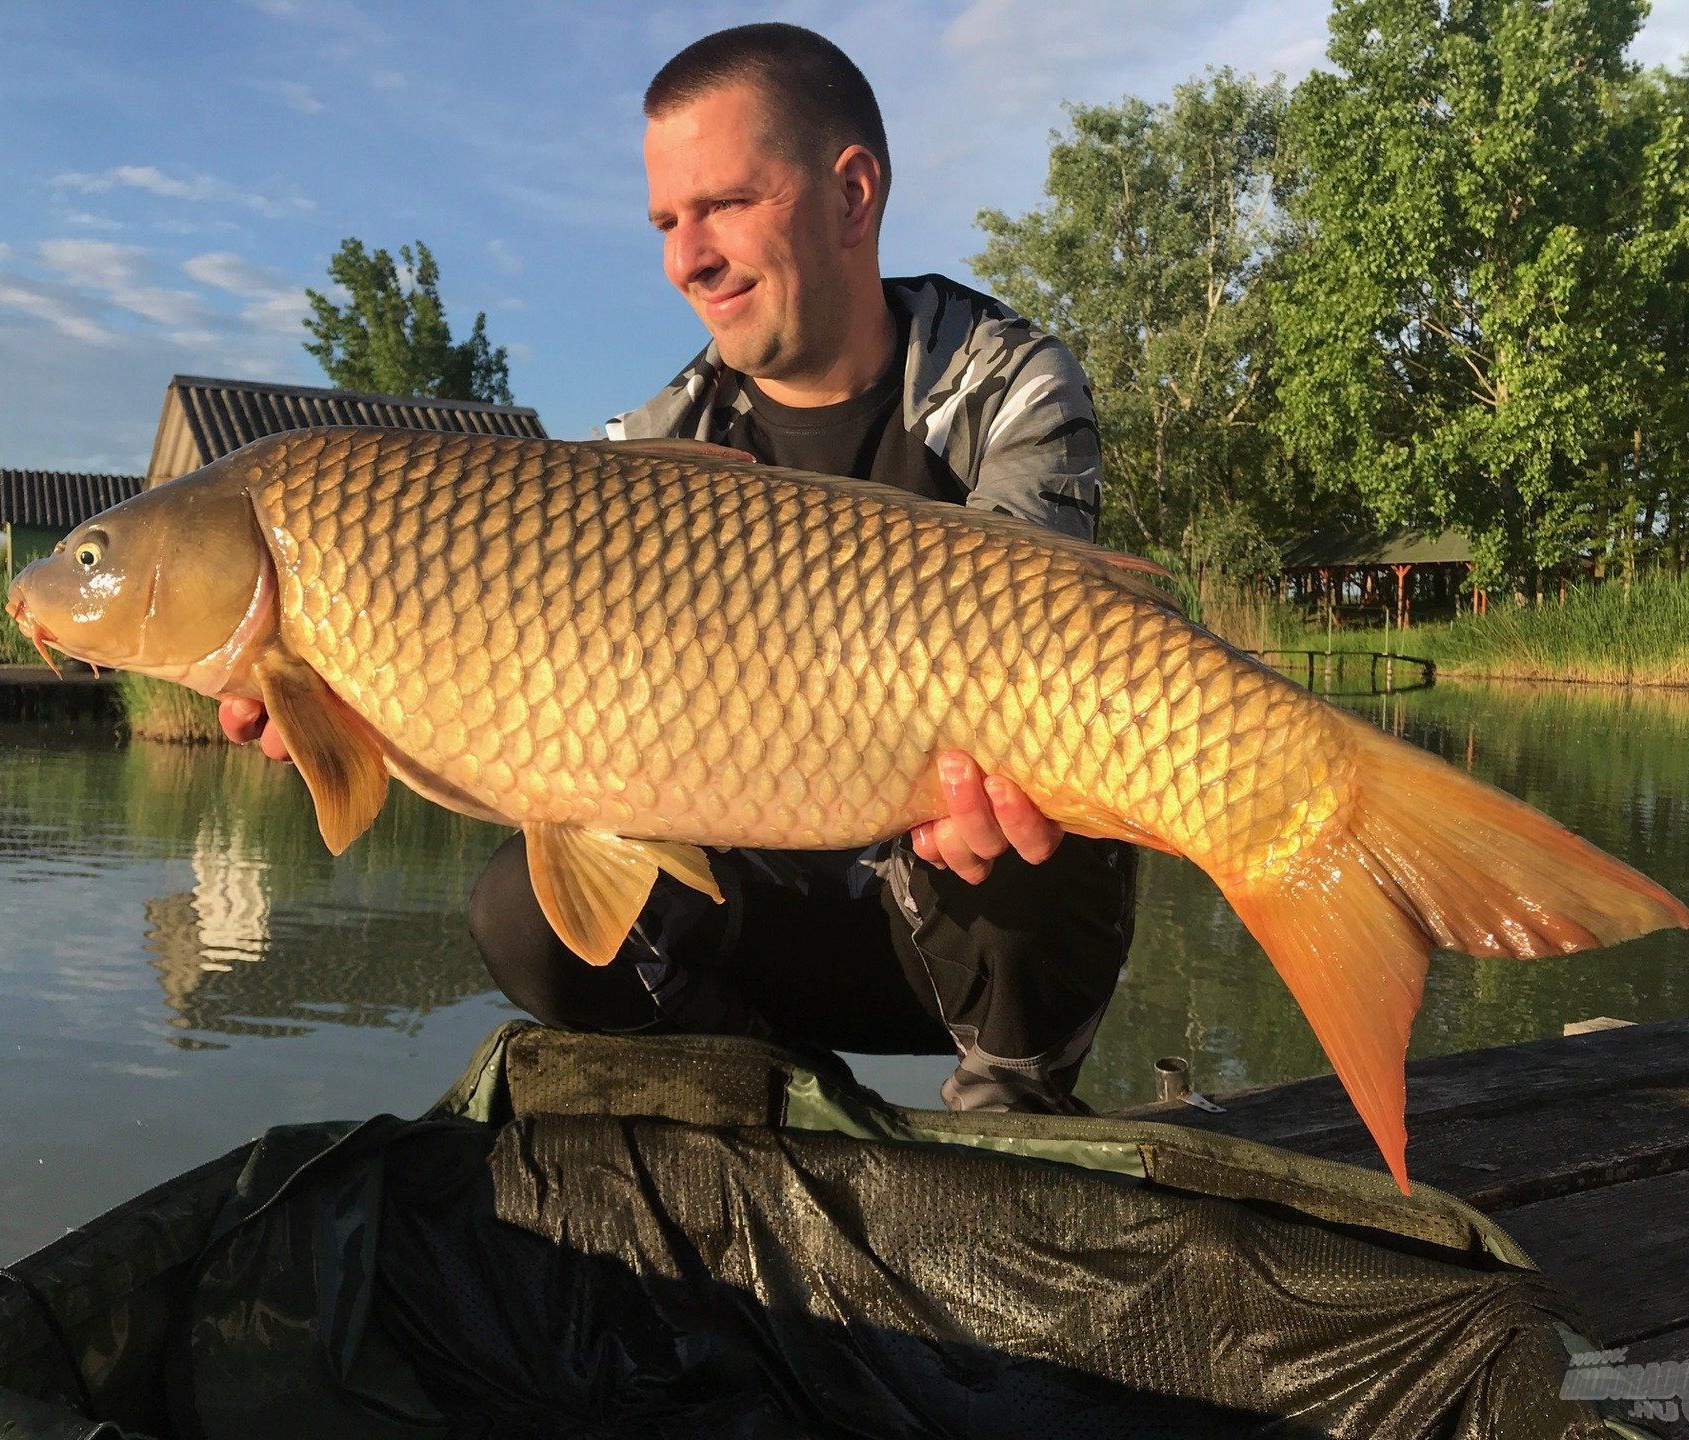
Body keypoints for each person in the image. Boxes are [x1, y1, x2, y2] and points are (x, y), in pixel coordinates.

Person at [222, 22, 1135, 1114]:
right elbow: (543, 712)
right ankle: (779, 1109)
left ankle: (1011, 1115)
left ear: (852, 196)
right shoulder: (644, 447)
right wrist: (356, 707)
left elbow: (1065, 644)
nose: (684, 258)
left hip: (968, 917)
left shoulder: (1004, 385)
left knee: (1077, 765)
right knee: (524, 910)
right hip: (758, 931)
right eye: (665, 221)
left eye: (723, 207)